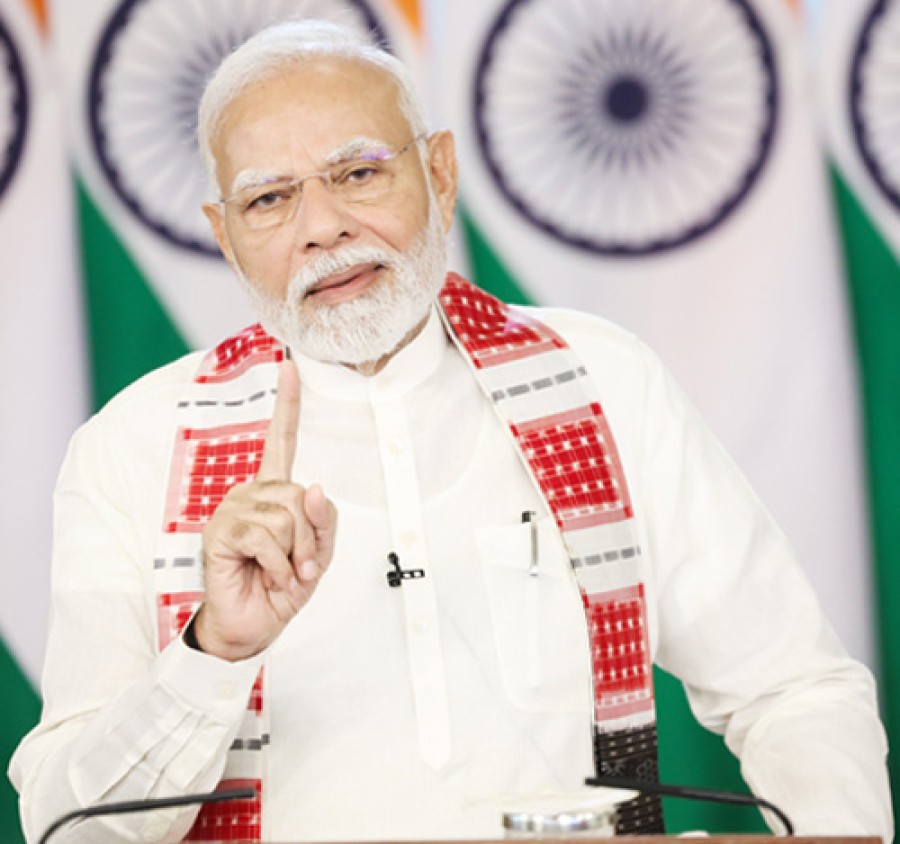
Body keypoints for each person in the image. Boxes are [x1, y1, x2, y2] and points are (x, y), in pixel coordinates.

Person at [10, 19, 892, 844]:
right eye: (270, 198)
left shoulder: (600, 380)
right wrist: (212, 652)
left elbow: (793, 687)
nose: (323, 229)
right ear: (225, 235)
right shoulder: (135, 446)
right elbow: (68, 825)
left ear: (439, 173)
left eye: (358, 174)